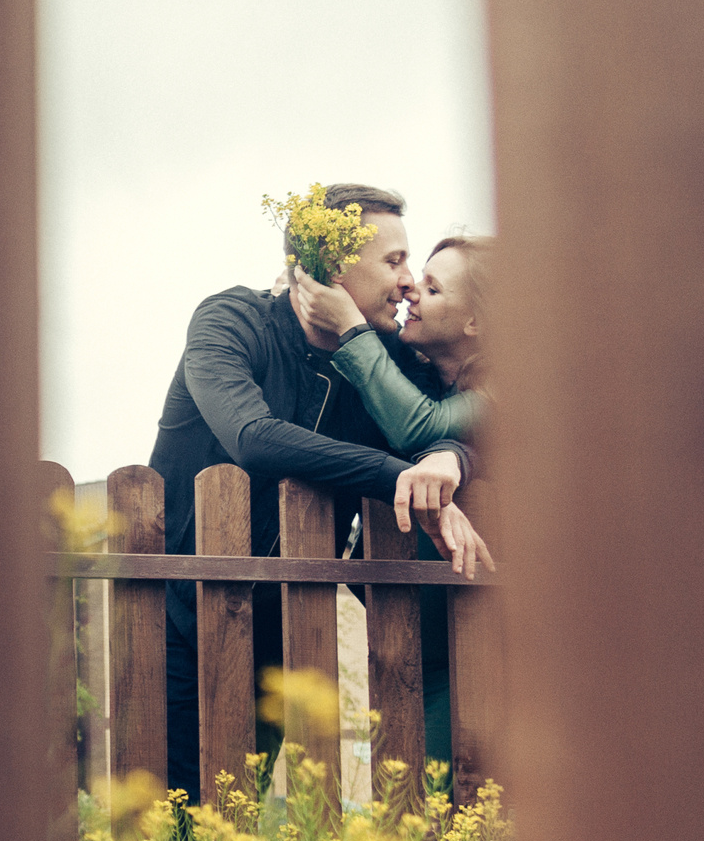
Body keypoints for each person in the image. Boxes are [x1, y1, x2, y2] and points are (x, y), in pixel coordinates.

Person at [149, 185, 490, 805]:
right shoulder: (232, 320)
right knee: (162, 829)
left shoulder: (381, 361)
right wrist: (395, 474)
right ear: (333, 269)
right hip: (170, 615)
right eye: (394, 262)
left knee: (234, 821)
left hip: (283, 630)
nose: (409, 283)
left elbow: (436, 425)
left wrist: (448, 461)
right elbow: (253, 436)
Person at [290, 233, 492, 448]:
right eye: (422, 279)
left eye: (433, 290)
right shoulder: (420, 370)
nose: (411, 292)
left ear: (476, 323)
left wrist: (350, 324)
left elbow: (420, 429)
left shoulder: (509, 392)